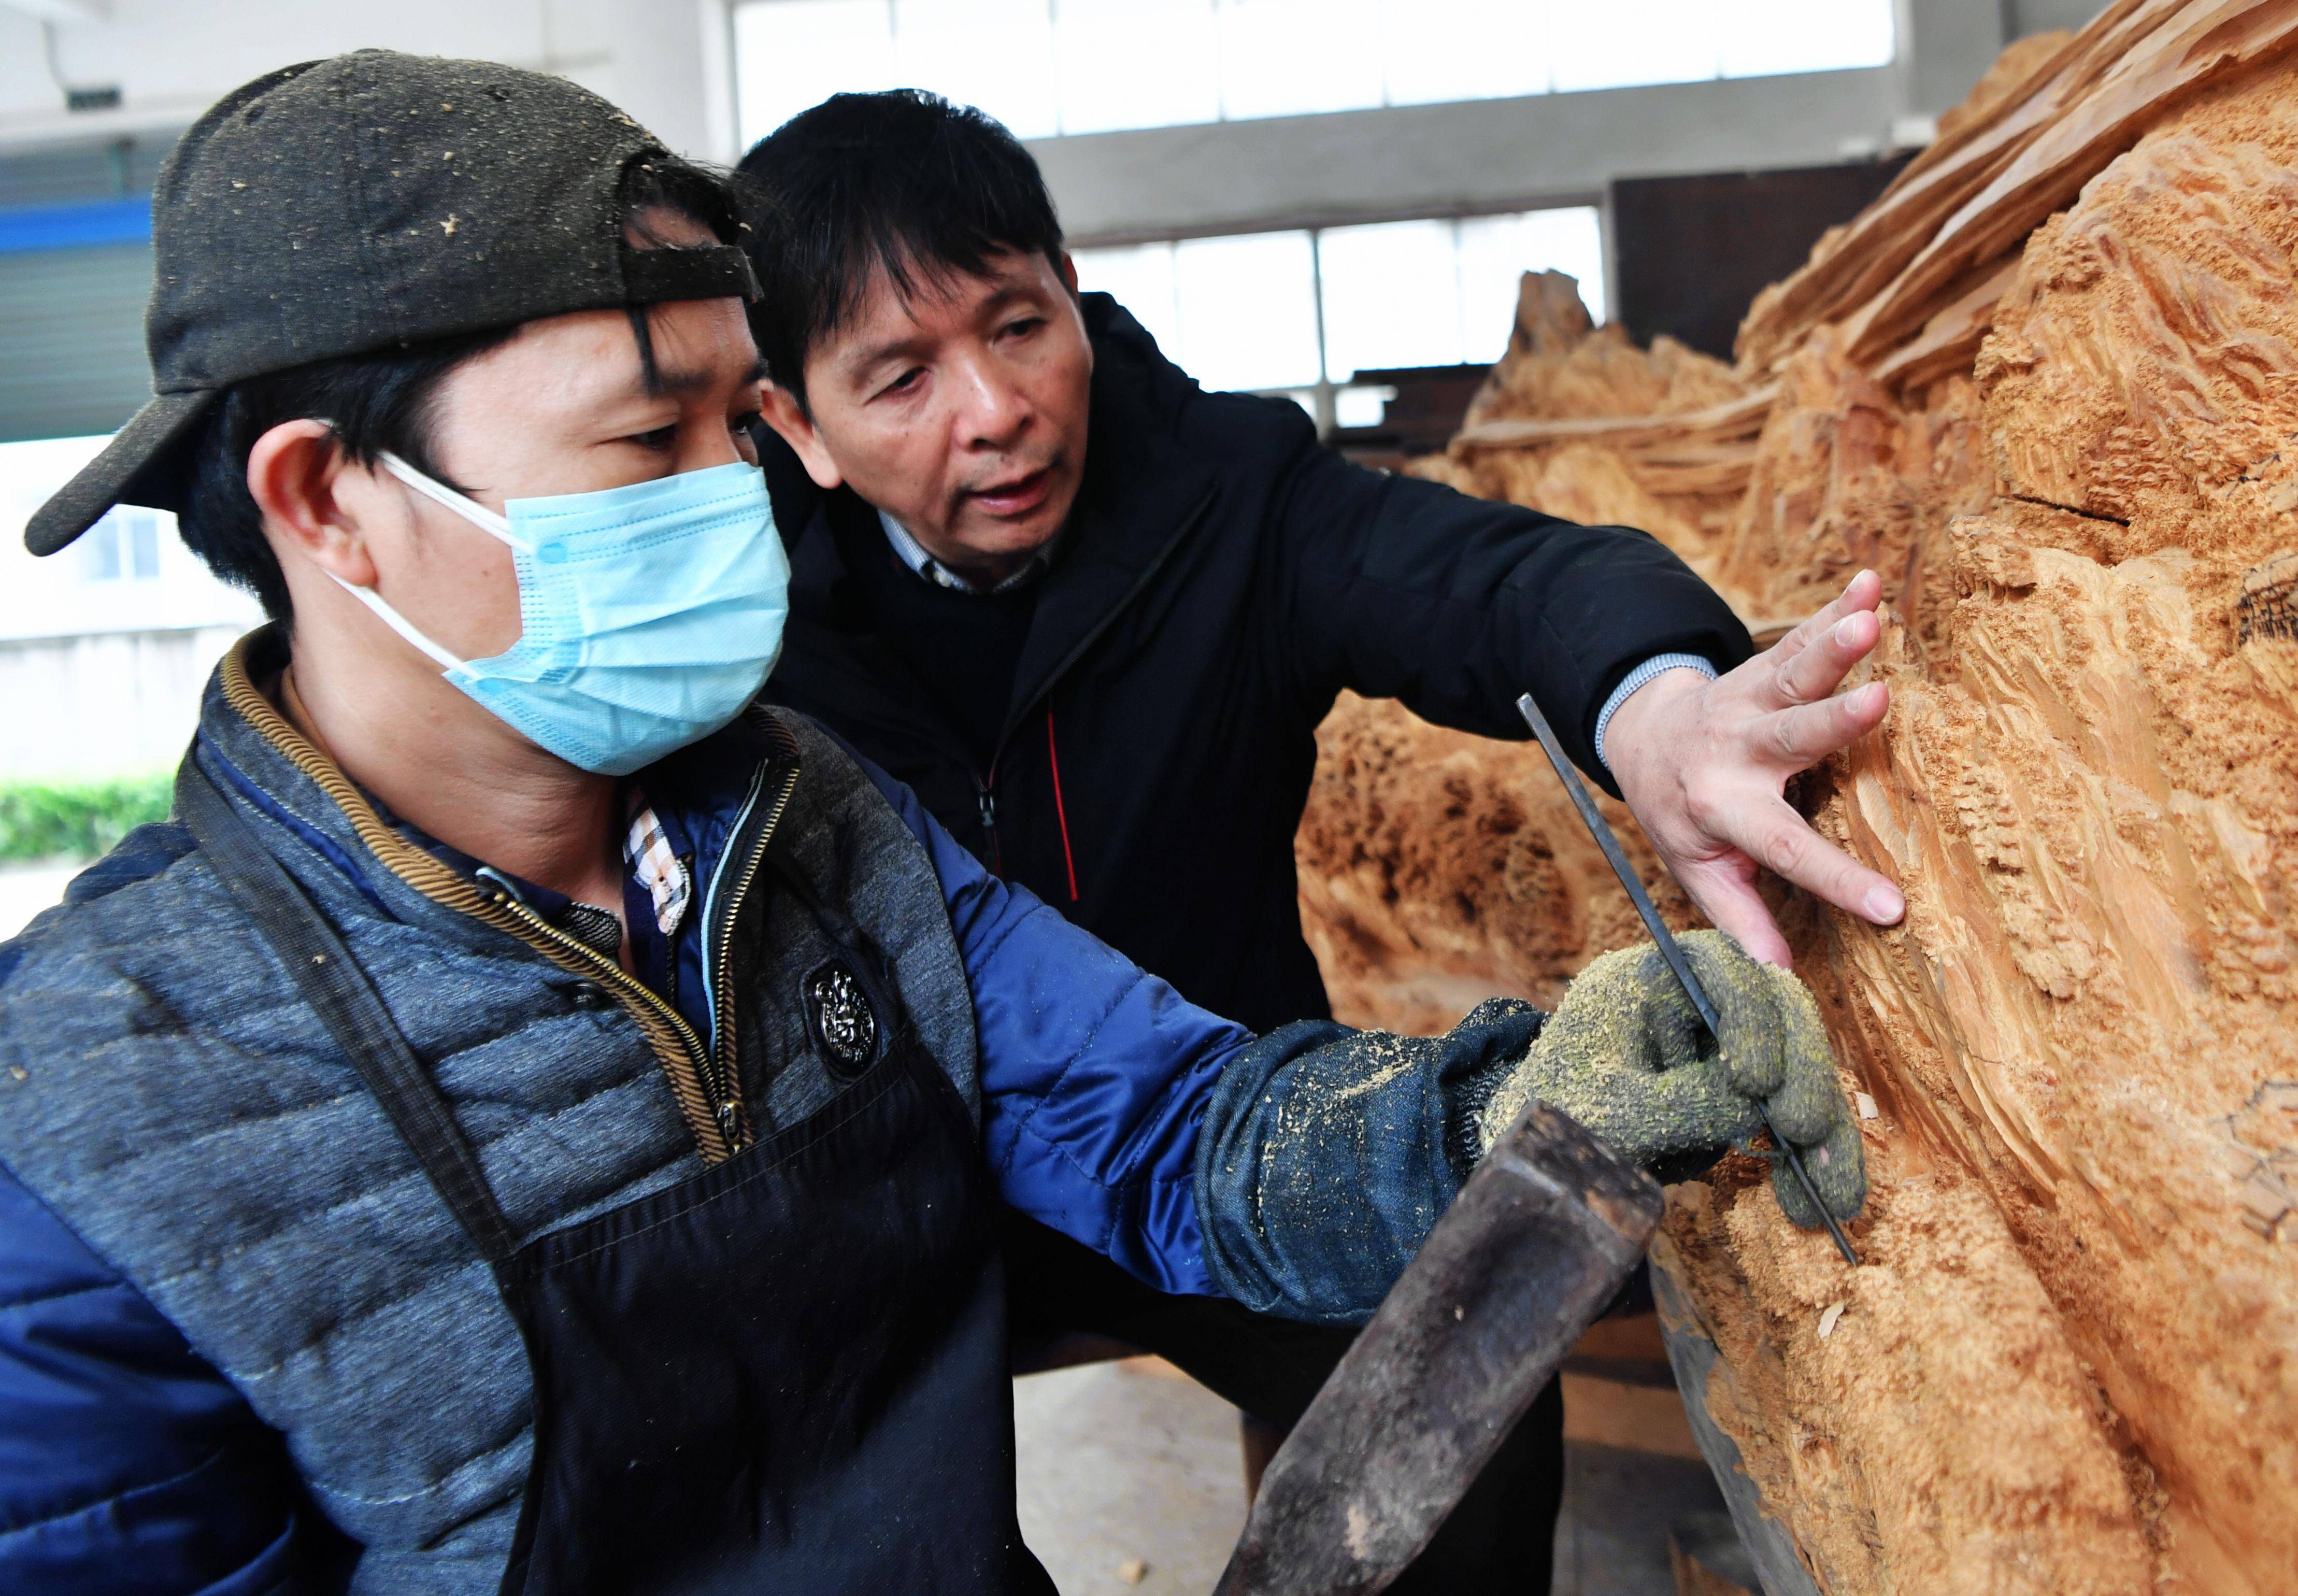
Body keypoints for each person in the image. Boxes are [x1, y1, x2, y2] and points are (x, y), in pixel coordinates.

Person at [0, 54, 1864, 1596]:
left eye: (730, 431)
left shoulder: (818, 836)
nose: (730, 500)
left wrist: (1513, 1120)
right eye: (654, 445)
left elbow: (1161, 1119)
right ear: (326, 501)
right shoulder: (102, 1113)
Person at [736, 89, 1902, 1590]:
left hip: (1222, 1139)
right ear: (794, 424)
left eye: (1018, 325)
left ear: (1075, 291)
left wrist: (1657, 708)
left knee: (1468, 1342)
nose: (995, 408)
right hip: (907, 1192)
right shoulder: (746, 630)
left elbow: (1488, 580)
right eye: (899, 377)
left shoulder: (1221, 494)